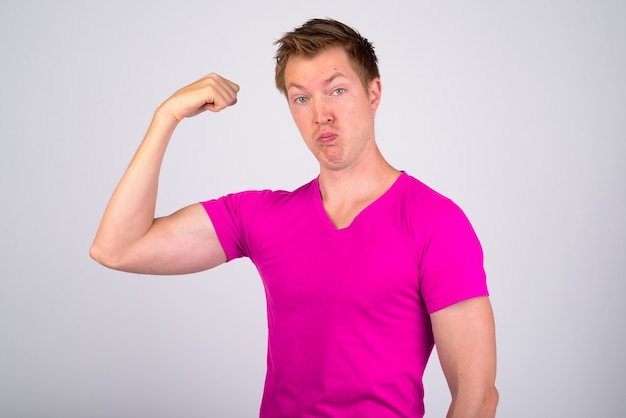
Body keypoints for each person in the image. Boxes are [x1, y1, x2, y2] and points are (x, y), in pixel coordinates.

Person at [90, 18, 498, 418]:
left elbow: (477, 398)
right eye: (301, 98)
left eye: (337, 90)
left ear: (374, 93)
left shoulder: (435, 222)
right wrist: (167, 117)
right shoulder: (261, 217)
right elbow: (118, 247)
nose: (321, 114)